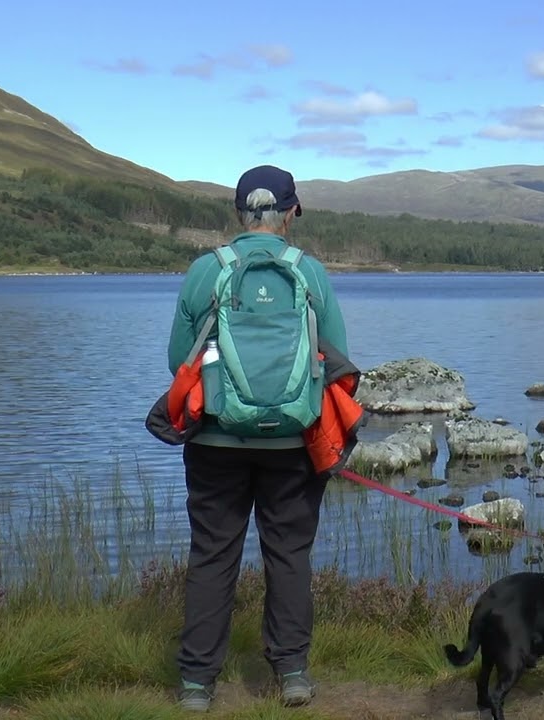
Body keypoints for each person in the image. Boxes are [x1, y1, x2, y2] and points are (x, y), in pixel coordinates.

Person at [164, 164, 349, 712]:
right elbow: (336, 357)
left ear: (238, 213)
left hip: (215, 442)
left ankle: (197, 685)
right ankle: (291, 673)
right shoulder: (309, 273)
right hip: (293, 444)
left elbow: (180, 361)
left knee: (212, 555)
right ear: (291, 213)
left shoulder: (206, 270)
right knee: (289, 554)